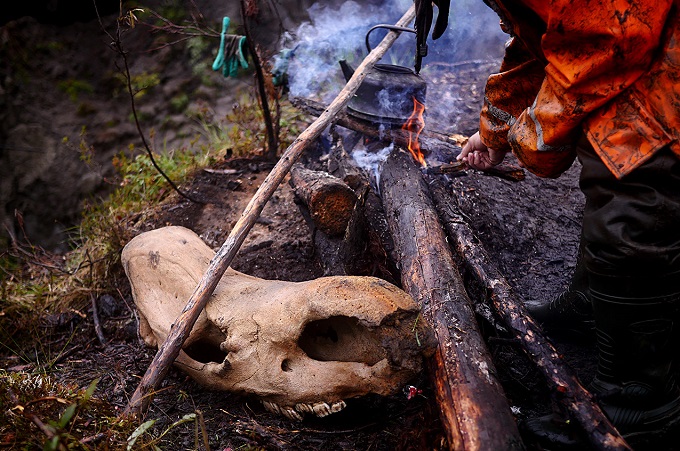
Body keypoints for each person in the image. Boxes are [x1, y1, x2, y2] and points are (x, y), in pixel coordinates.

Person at [456, 0, 680, 446]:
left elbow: (609, 39)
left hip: (664, 67)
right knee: (610, 168)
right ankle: (591, 307)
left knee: (635, 204)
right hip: (637, 49)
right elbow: (544, 39)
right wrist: (495, 129)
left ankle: (642, 411)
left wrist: (532, 135)